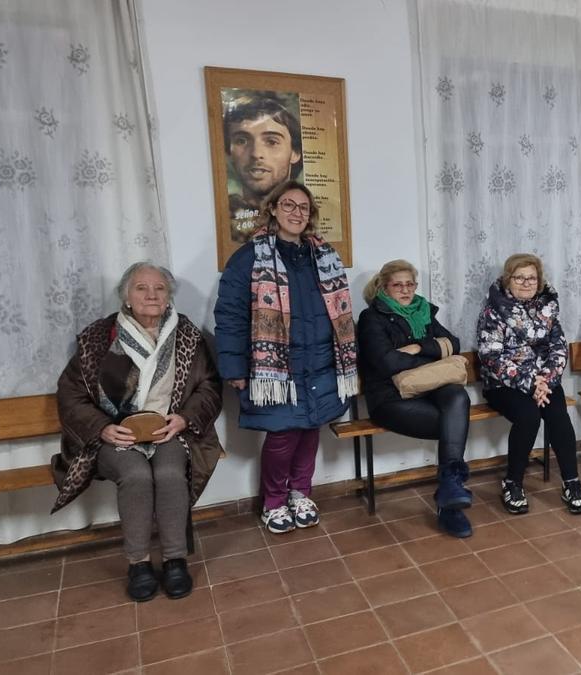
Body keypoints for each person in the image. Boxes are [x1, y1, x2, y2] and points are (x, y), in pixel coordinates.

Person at [52, 262, 223, 602]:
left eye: (159, 288)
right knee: (136, 475)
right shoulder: (98, 339)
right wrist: (102, 428)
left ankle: (175, 560)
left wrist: (184, 419)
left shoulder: (186, 335)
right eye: (142, 288)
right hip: (117, 435)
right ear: (127, 297)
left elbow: (209, 386)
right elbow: (71, 394)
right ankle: (139, 564)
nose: (151, 295)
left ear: (168, 296)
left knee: (172, 472)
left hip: (167, 431)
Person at [215, 181, 358, 536]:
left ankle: (301, 493)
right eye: (289, 205)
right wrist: (234, 367)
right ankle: (274, 501)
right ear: (274, 209)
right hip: (274, 365)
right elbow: (230, 315)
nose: (297, 212)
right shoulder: (249, 256)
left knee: (310, 429)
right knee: (282, 435)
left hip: (322, 361)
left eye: (304, 207)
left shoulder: (322, 256)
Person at [358, 259, 474, 537]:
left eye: (410, 284)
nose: (406, 290)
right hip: (390, 398)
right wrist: (432, 355)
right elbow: (386, 363)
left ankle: (449, 490)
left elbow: (453, 343)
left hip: (431, 389)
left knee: (458, 397)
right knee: (452, 424)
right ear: (383, 287)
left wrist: (418, 347)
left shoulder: (423, 311)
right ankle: (449, 502)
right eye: (398, 284)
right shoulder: (371, 318)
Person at [477, 253, 581, 515]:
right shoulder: (493, 311)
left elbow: (559, 349)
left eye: (532, 278)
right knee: (528, 416)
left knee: (558, 414)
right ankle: (512, 482)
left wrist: (545, 381)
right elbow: (491, 357)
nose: (526, 283)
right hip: (503, 384)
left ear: (539, 281)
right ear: (508, 280)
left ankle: (571, 481)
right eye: (519, 277)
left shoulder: (548, 308)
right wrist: (530, 383)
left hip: (543, 382)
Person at [223, 93, 304, 240]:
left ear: (295, 152)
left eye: (272, 142)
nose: (256, 153)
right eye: (241, 141)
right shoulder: (224, 218)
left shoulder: (312, 220)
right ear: (229, 153)